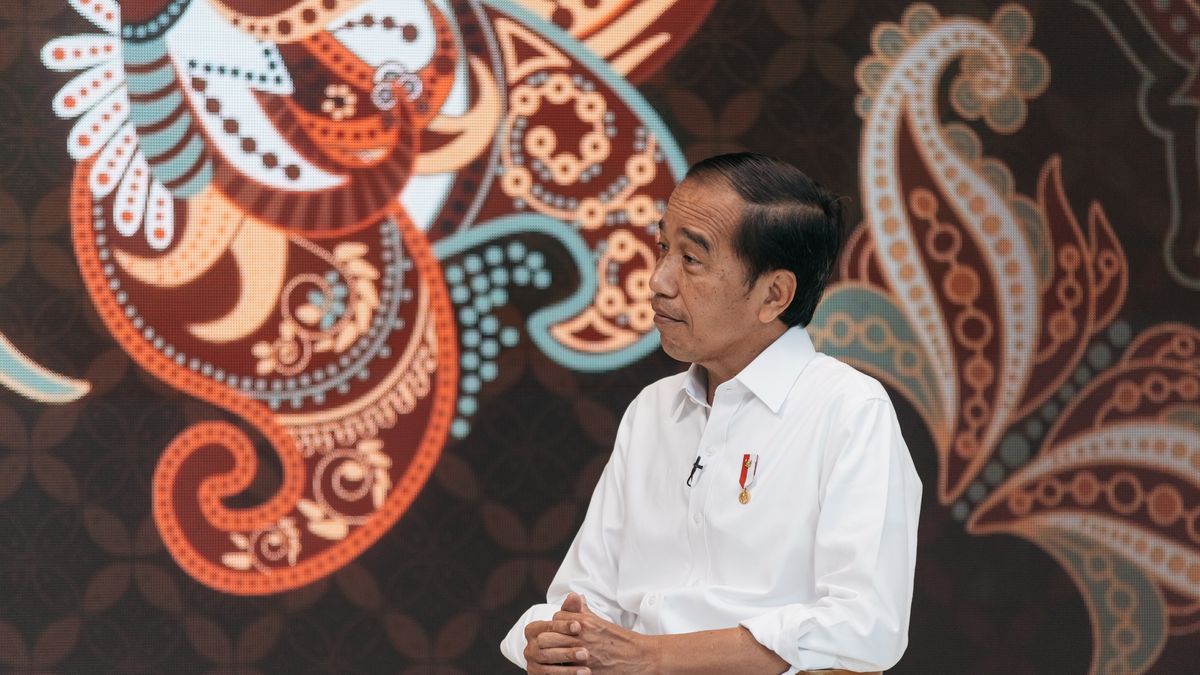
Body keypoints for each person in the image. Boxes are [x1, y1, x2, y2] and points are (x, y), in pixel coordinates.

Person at [500, 153, 922, 674]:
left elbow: (862, 627)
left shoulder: (849, 410)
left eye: (692, 259)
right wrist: (555, 642)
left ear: (774, 295)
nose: (658, 281)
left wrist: (654, 658)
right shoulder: (652, 410)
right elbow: (584, 600)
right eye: (663, 248)